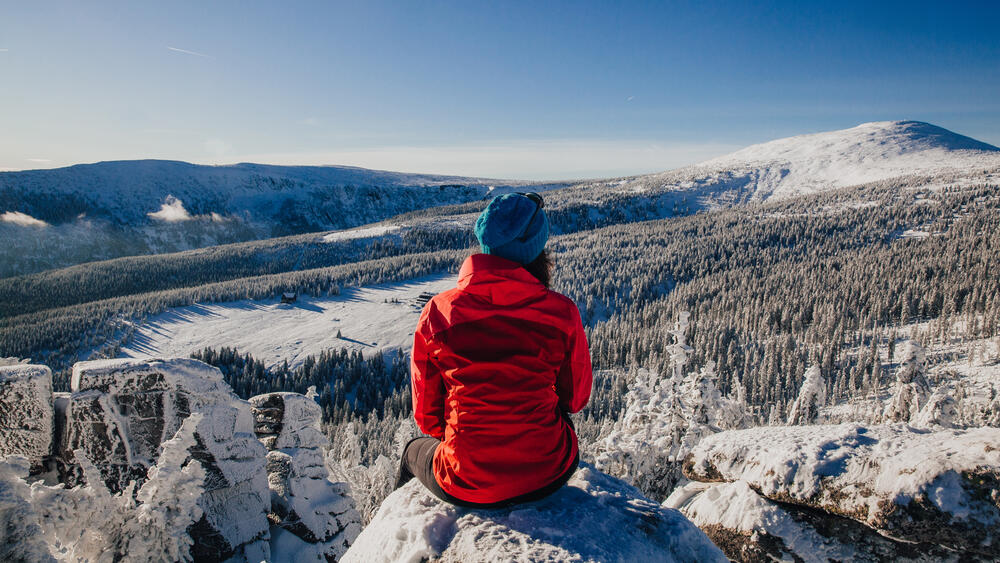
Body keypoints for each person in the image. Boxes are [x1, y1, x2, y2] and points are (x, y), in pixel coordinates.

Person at [396, 192, 593, 508]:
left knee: (411, 452)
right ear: (537, 249)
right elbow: (575, 399)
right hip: (548, 472)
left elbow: (428, 419)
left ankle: (391, 530)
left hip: (463, 481)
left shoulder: (438, 313)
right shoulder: (561, 313)